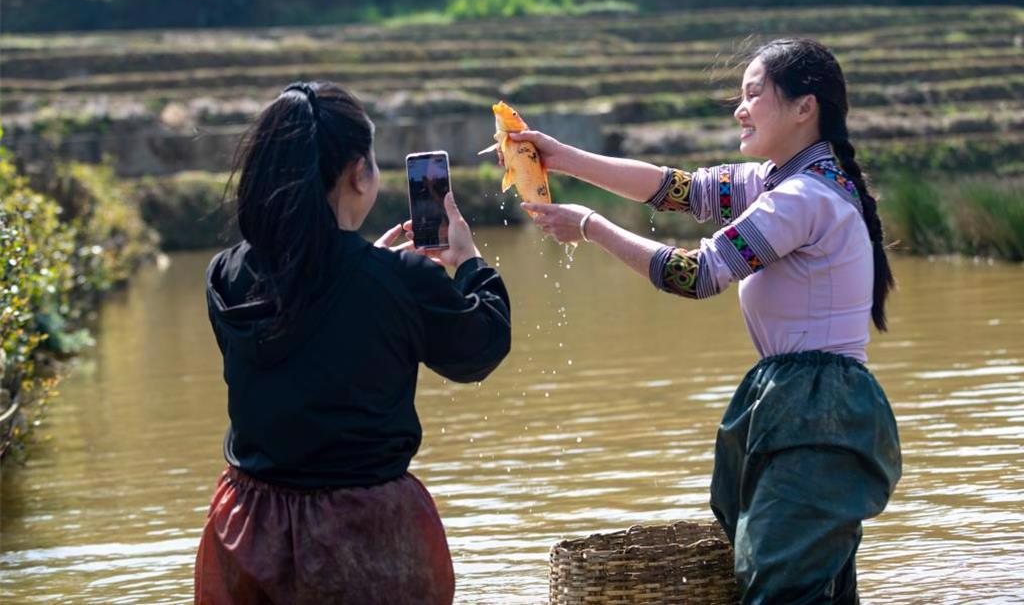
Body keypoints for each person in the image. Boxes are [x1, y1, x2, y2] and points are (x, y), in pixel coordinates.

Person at [510, 39, 901, 604]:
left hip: (817, 411)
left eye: (752, 95)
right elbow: (678, 190)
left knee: (782, 589)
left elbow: (695, 275)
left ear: (803, 107)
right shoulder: (779, 180)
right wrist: (558, 157)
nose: (740, 109)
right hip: (803, 404)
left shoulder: (801, 198)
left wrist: (592, 227)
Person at [195, 81, 511, 605]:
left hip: (247, 526)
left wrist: (373, 267)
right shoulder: (395, 280)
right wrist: (469, 263)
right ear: (358, 174)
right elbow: (480, 346)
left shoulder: (226, 273)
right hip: (364, 532)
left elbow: (305, 325)